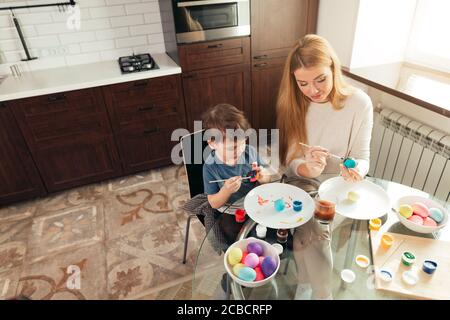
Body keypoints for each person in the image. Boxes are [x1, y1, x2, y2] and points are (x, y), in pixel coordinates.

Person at [276, 34, 374, 299]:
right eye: (303, 83)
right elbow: (286, 162)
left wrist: (357, 170)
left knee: (314, 224)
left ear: (334, 68)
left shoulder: (359, 103)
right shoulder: (292, 103)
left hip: (340, 184)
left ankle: (306, 282)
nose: (313, 90)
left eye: (320, 79)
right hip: (304, 180)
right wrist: (307, 168)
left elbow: (362, 157)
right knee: (315, 221)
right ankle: (322, 293)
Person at [202, 103, 271, 210]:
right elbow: (213, 204)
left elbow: (267, 177)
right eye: (231, 148)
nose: (239, 151)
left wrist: (263, 177)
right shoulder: (210, 167)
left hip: (255, 201)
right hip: (231, 209)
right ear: (212, 143)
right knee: (231, 227)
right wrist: (226, 191)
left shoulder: (250, 152)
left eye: (242, 144)